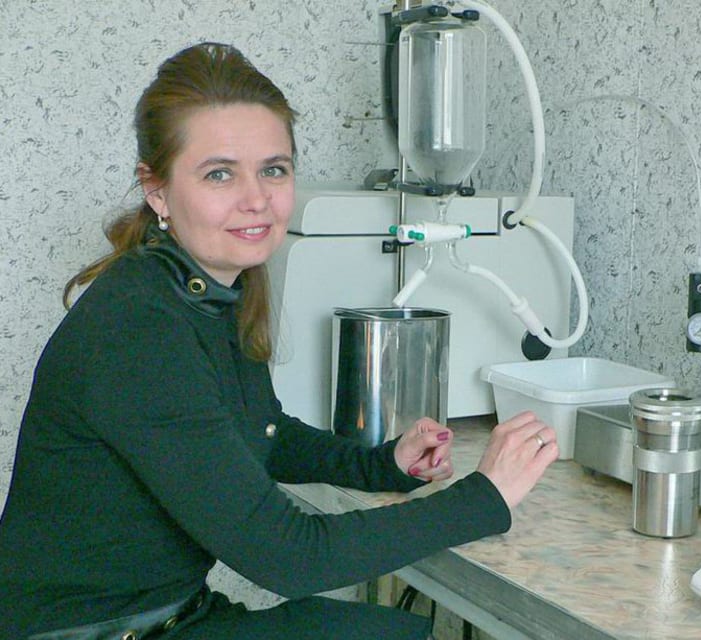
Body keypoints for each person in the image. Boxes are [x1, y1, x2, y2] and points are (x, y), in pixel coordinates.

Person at [0, 42, 558, 640]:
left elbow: (262, 430)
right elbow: (291, 559)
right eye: (219, 173)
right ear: (157, 190)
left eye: (273, 169)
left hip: (172, 617)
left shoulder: (205, 290)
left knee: (398, 633)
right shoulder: (138, 328)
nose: (257, 199)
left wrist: (381, 463)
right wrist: (486, 496)